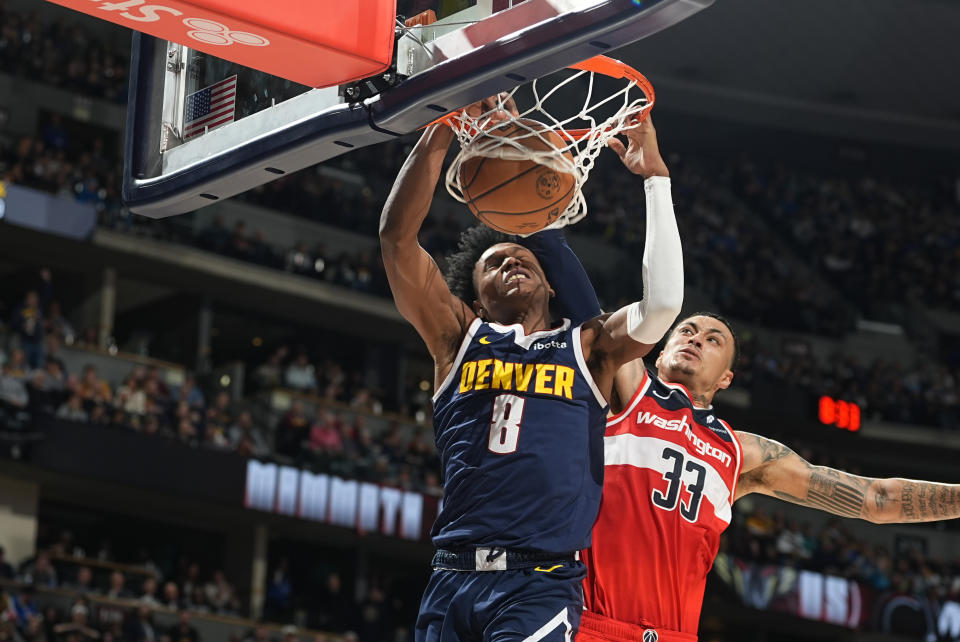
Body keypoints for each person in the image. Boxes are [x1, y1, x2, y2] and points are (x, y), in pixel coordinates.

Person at [522, 225, 960, 642]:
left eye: (714, 340)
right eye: (687, 331)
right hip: (586, 621)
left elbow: (874, 499)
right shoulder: (630, 387)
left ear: (726, 378)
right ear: (658, 352)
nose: (696, 339)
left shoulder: (743, 452)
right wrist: (542, 229)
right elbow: (583, 305)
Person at [379, 98, 683, 641]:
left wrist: (655, 179)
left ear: (550, 284)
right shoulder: (456, 338)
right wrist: (446, 124)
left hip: (538, 582)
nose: (510, 261)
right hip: (450, 578)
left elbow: (660, 307)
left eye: (523, 259)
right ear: (474, 294)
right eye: (493, 263)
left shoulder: (589, 347)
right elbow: (396, 241)